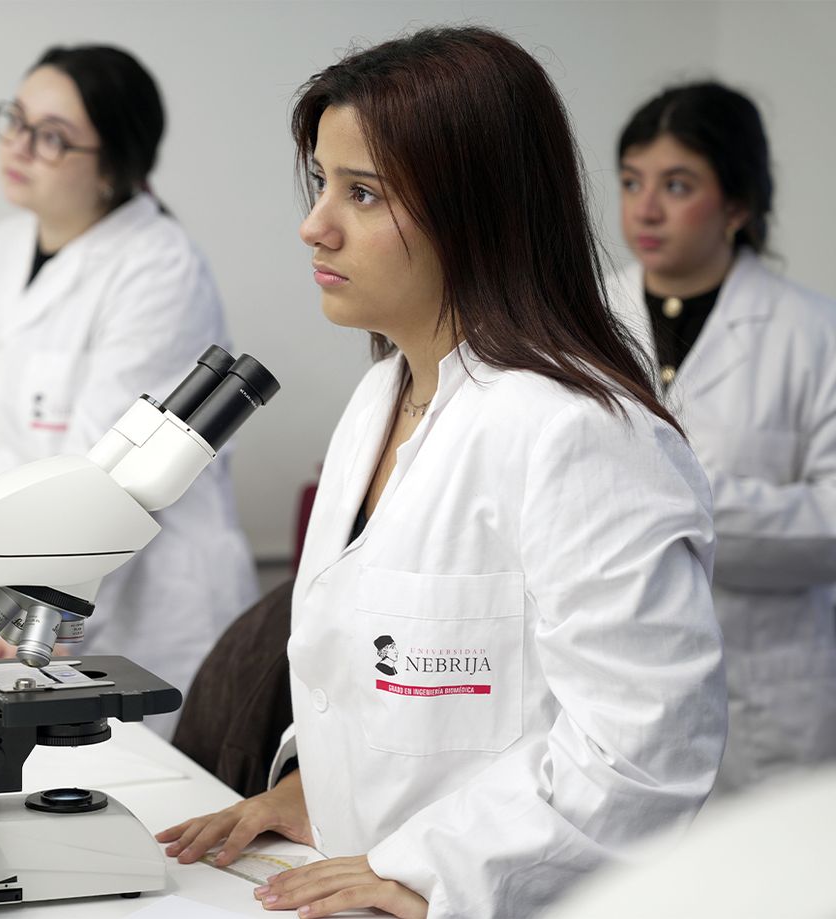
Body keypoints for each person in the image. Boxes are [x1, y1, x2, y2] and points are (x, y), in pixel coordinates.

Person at [156, 27, 727, 919]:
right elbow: (380, 677)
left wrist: (433, 871)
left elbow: (645, 751)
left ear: (479, 211)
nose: (315, 223)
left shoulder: (573, 434)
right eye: (321, 184)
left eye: (364, 192)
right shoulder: (382, 396)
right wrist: (310, 787)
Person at [0, 44, 258, 738]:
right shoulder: (3, 247)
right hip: (25, 591)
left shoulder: (158, 268)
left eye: (51, 136)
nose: (18, 146)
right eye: (15, 120)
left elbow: (99, 479)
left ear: (115, 165)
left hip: (147, 614)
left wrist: (26, 608)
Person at [609, 81, 836, 793]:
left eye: (677, 185)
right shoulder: (580, 321)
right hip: (614, 689)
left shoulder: (812, 332)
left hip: (766, 690)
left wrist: (682, 504)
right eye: (631, 181)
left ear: (737, 204)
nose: (645, 208)